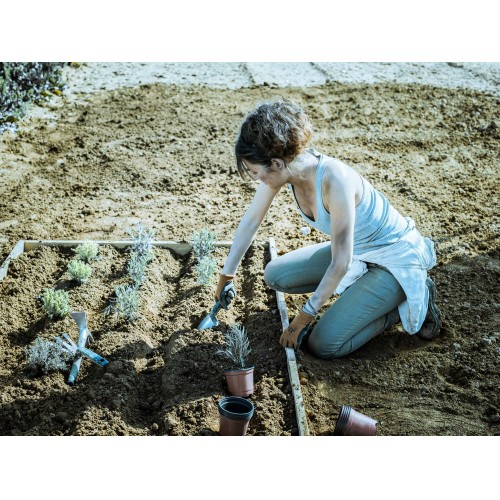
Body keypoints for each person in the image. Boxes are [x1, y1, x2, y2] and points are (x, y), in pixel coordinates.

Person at [214, 98, 441, 359]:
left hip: (394, 260)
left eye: (255, 172)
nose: (256, 179)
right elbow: (252, 220)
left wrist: (303, 318)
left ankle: (405, 303)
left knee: (323, 345)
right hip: (358, 252)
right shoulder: (285, 171)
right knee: (275, 275)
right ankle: (369, 300)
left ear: (276, 163)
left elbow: (341, 261)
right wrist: (226, 276)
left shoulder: (336, 181)